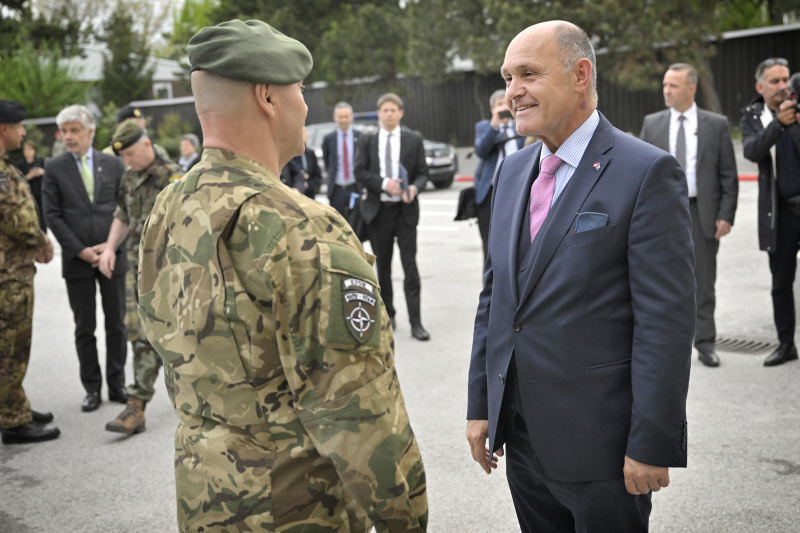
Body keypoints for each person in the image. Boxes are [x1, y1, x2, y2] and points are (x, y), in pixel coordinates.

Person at [136, 19, 427, 531]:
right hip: (296, 509)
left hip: (205, 498)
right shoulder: (302, 228)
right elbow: (358, 411)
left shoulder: (169, 206)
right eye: (300, 90)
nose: (306, 105)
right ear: (268, 97)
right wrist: (408, 518)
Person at [466, 21, 695, 532]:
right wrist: (482, 403)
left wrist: (651, 441)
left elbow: (666, 323)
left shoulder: (646, 172)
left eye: (528, 73)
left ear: (580, 74)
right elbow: (496, 298)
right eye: (507, 77)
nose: (513, 92)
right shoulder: (511, 172)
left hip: (604, 450)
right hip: (522, 441)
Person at [640, 63, 739, 368]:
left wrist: (726, 215)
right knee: (658, 280)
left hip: (701, 212)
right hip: (661, 215)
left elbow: (728, 176)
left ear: (691, 89)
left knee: (703, 282)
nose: (666, 90)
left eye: (673, 85)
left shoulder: (716, 124)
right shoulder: (652, 123)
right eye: (665, 84)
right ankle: (665, 344)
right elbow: (640, 173)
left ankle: (705, 342)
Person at [42, 104, 128, 412]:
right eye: (64, 131)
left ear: (90, 132)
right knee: (84, 327)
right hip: (77, 260)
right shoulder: (54, 167)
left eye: (74, 130)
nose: (68, 137)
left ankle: (117, 384)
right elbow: (52, 215)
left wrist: (109, 247)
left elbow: (126, 209)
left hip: (113, 256)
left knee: (117, 324)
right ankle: (92, 388)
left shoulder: (114, 165)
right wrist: (80, 250)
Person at [98, 121, 182, 435]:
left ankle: (191, 402)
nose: (129, 160)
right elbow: (122, 213)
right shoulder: (129, 176)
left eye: (132, 153)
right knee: (141, 334)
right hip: (137, 269)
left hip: (169, 273)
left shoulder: (171, 176)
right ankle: (137, 406)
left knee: (176, 336)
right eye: (125, 156)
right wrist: (109, 248)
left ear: (147, 144)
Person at [0, 100, 60, 445]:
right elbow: (16, 220)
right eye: (18, 126)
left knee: (11, 345)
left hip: (13, 273)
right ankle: (14, 420)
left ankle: (14, 404)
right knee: (12, 347)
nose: (23, 132)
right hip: (9, 277)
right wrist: (42, 240)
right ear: (3, 128)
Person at [354, 93, 431, 341]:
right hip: (379, 213)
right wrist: (385, 184)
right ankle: (389, 316)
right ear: (379, 113)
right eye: (385, 110)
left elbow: (422, 173)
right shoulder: (367, 140)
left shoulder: (413, 139)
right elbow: (360, 172)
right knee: (383, 268)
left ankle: (416, 322)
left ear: (401, 113)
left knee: (410, 267)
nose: (389, 114)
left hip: (405, 211)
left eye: (393, 110)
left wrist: (414, 188)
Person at [741, 58, 800, 367]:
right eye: (775, 81)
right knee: (781, 282)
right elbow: (752, 151)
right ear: (760, 86)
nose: (782, 87)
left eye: (786, 79)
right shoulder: (753, 117)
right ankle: (786, 344)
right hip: (781, 214)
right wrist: (780, 123)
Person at [474, 89, 525, 263]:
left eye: (505, 103)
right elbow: (481, 151)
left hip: (518, 190)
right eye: (499, 105)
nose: (503, 108)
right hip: (490, 192)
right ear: (492, 109)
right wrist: (494, 126)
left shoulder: (521, 126)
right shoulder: (484, 127)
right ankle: (490, 287)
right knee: (489, 246)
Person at [322, 101, 361, 216]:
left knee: (356, 224)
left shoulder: (360, 137)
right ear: (335, 118)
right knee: (338, 224)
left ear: (351, 117)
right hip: (337, 190)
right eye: (341, 117)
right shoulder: (329, 139)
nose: (343, 120)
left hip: (355, 188)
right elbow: (327, 162)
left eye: (346, 117)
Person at [102, 105, 170, 161]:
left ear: (144, 124)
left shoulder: (158, 151)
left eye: (139, 123)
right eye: (131, 125)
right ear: (118, 126)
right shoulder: (108, 154)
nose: (137, 128)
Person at [15, 139, 47, 232]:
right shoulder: (20, 164)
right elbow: (17, 181)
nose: (28, 152)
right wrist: (29, 176)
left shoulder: (40, 160)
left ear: (34, 150)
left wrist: (41, 172)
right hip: (27, 194)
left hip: (40, 193)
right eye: (26, 150)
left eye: (30, 149)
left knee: (42, 218)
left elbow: (48, 175)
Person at [292, 126, 322, 198]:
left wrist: (308, 185)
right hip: (294, 195)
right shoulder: (289, 155)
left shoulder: (310, 153)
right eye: (303, 132)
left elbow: (317, 176)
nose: (307, 134)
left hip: (309, 195)